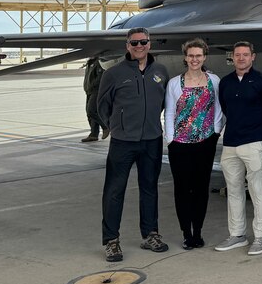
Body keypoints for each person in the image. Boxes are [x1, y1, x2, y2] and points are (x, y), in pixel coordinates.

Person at [97, 27, 170, 262]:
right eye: (134, 43)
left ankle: (150, 235)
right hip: (123, 142)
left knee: (149, 188)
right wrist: (117, 126)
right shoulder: (114, 74)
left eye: (144, 42)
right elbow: (102, 105)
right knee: (114, 191)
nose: (139, 46)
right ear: (127, 45)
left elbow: (161, 103)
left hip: (151, 140)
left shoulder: (160, 71)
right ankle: (111, 240)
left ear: (150, 44)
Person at [215, 41, 262, 257]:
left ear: (253, 57)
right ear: (232, 57)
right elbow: (226, 109)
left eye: (245, 55)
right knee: (233, 190)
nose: (241, 58)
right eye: (237, 55)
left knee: (258, 190)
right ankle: (237, 235)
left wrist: (260, 135)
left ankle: (261, 237)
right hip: (231, 143)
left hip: (253, 142)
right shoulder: (225, 83)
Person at [163, 38, 223, 250]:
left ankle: (198, 231)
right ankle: (186, 233)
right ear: (185, 58)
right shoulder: (174, 83)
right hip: (180, 144)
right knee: (182, 189)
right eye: (191, 56)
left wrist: (215, 132)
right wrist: (171, 139)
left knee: (200, 189)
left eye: (198, 55)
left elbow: (218, 108)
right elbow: (170, 111)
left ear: (204, 57)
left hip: (205, 143)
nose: (194, 59)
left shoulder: (213, 80)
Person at [81, 57, 108, 142]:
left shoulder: (99, 62)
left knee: (91, 111)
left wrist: (92, 86)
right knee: (89, 114)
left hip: (96, 91)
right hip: (89, 91)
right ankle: (94, 134)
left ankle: (105, 127)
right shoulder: (89, 63)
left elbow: (100, 77)